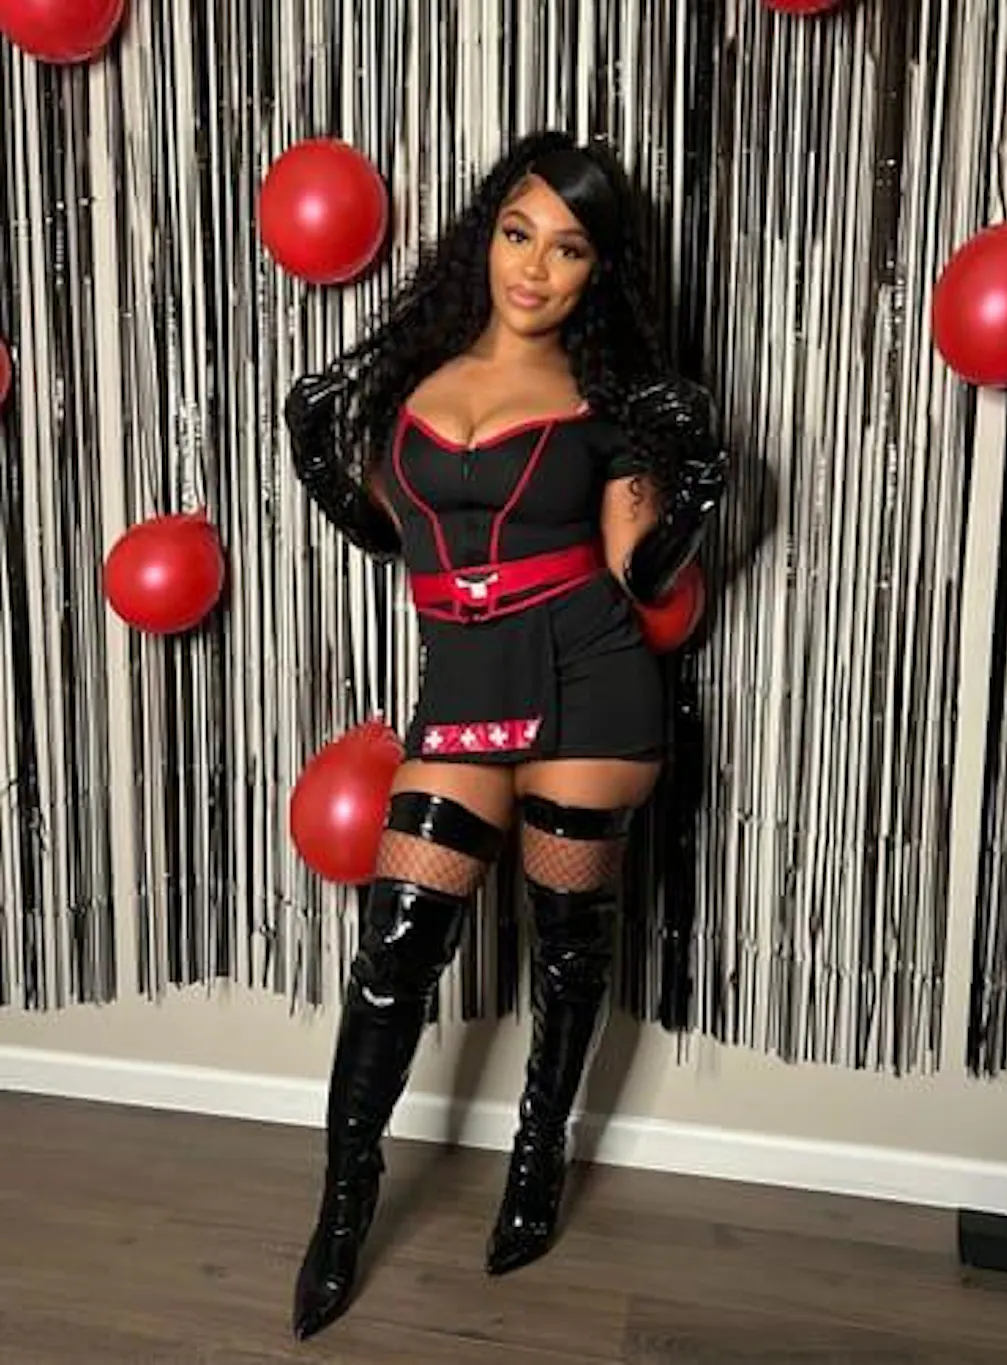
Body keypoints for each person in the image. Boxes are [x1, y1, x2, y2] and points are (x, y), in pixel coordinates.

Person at [284, 128, 726, 1341]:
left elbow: (640, 575)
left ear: (597, 270)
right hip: (466, 681)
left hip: (590, 679)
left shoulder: (607, 400)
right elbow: (404, 537)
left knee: (568, 947)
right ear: (485, 237)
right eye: (519, 234)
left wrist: (691, 492)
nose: (534, 267)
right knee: (393, 955)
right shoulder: (411, 377)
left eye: (568, 248)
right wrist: (322, 471)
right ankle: (341, 1208)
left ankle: (538, 1153)